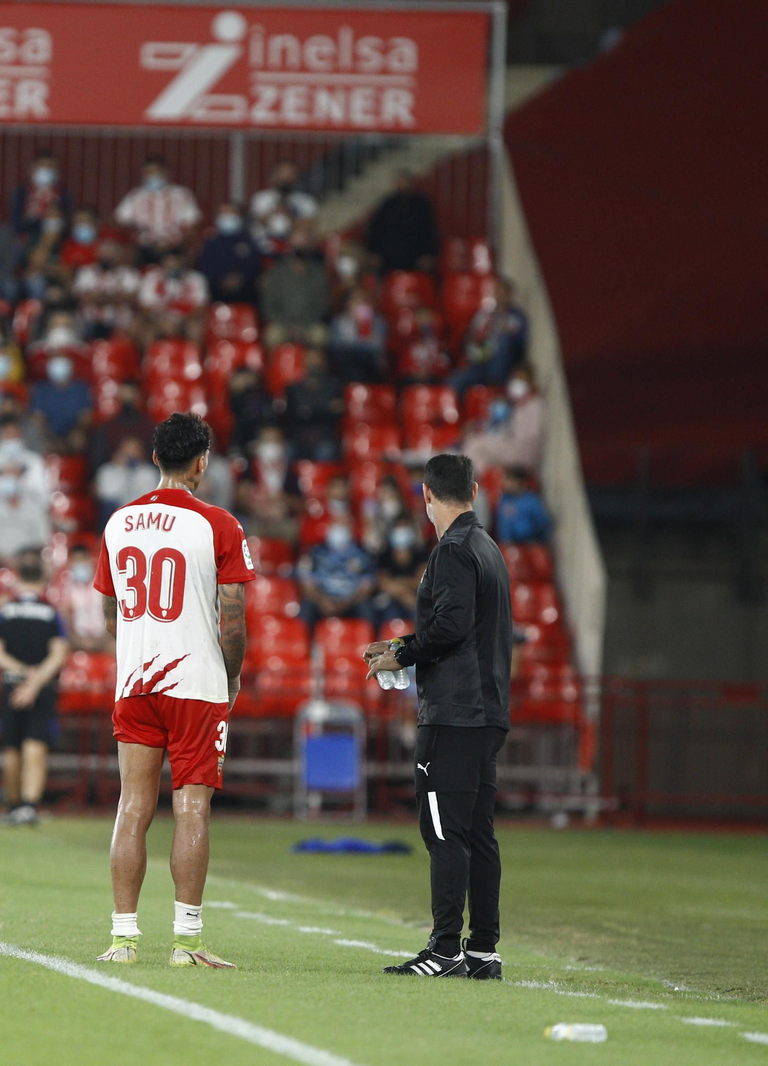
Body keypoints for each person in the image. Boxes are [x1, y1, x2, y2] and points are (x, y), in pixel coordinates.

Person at [91, 413, 253, 968]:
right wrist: (231, 676)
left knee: (132, 805)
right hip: (195, 684)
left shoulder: (119, 522)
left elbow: (109, 611)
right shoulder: (218, 524)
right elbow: (232, 618)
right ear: (201, 462)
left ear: (154, 459)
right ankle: (185, 942)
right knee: (191, 811)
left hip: (135, 680)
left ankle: (123, 939)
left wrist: (139, 644)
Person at [363, 453, 511, 980]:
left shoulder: (452, 550)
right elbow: (465, 627)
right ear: (473, 491)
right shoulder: (488, 547)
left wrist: (401, 653)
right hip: (487, 709)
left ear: (427, 496)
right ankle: (482, 950)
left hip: (454, 712)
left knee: (444, 831)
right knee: (477, 832)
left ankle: (446, 948)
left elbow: (449, 628)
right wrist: (402, 644)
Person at [0, 553, 70, 826]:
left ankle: (12, 806)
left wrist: (21, 672)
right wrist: (34, 681)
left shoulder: (5, 609)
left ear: (17, 575)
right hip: (42, 685)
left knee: (11, 746)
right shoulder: (51, 611)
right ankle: (29, 806)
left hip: (10, 682)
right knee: (36, 743)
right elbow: (58, 654)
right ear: (43, 578)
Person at [0, 421, 51, 563]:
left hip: (27, 559)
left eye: (14, 475)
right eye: (5, 475)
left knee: (47, 567)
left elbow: (42, 541)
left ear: (22, 479)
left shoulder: (34, 505)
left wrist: (24, 559)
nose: (10, 479)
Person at [260, 222, 332, 349]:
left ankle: (314, 367)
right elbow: (269, 305)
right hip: (283, 324)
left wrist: (303, 325)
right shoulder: (277, 272)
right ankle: (277, 367)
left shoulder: (318, 272)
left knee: (321, 335)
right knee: (272, 336)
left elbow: (322, 304)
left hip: (310, 324)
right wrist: (289, 325)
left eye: (305, 239)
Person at [114, 157, 200, 262]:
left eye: (155, 172)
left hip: (174, 247)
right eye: (148, 172)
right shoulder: (135, 195)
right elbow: (119, 220)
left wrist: (176, 242)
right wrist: (133, 233)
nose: (151, 176)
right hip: (142, 246)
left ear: (165, 172)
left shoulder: (182, 194)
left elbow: (192, 223)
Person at [297, 520, 377, 629]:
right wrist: (322, 600)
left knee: (366, 608)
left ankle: (368, 643)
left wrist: (347, 602)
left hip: (351, 602)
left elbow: (366, 587)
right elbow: (307, 583)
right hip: (323, 600)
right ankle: (304, 643)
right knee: (307, 607)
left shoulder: (362, 555)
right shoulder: (316, 552)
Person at [365, 171, 440, 274]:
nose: (402, 184)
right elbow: (376, 229)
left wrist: (428, 254)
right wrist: (374, 252)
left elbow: (429, 230)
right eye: (399, 181)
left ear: (411, 183)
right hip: (388, 256)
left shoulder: (422, 204)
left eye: (404, 181)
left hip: (416, 255)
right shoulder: (388, 204)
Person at [195, 204, 260, 304]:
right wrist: (221, 280)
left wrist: (240, 278)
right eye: (224, 214)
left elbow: (253, 266)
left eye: (231, 214)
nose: (228, 217)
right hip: (216, 292)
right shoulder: (210, 243)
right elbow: (206, 267)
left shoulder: (249, 242)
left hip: (245, 293)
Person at [249, 161, 318, 248]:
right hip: (265, 241)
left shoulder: (305, 200)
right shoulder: (261, 197)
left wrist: (289, 215)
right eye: (282, 174)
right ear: (274, 176)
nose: (285, 178)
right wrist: (274, 211)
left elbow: (308, 224)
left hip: (293, 242)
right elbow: (257, 219)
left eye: (289, 175)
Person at [94, 436, 157, 525]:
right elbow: (105, 494)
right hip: (116, 513)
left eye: (135, 450)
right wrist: (121, 471)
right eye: (127, 450)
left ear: (141, 452)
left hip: (141, 513)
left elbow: (151, 496)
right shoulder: (107, 470)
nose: (131, 454)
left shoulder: (149, 472)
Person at [10, 153, 72, 242]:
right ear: (33, 169)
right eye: (43, 166)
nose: (46, 170)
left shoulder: (64, 196)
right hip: (26, 240)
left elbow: (68, 226)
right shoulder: (20, 194)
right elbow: (15, 224)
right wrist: (29, 218)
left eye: (50, 167)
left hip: (55, 241)